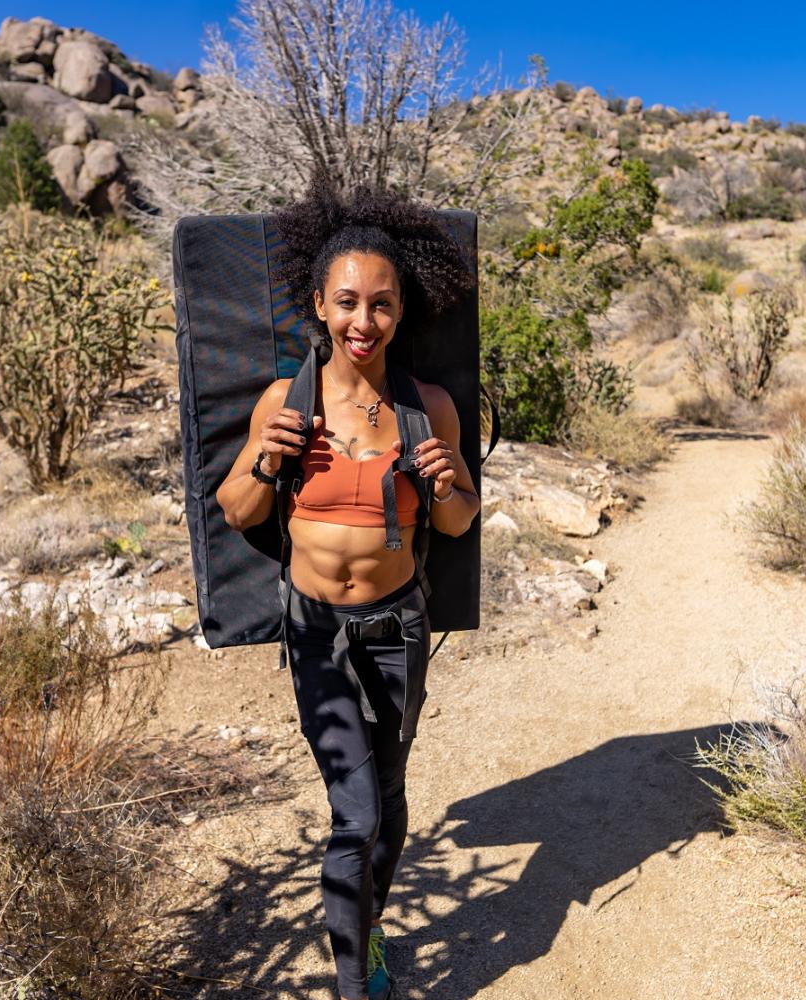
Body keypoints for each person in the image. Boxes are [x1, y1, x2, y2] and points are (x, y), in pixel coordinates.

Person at [217, 178, 479, 1000]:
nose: (363, 323)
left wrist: (443, 483)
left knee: (391, 803)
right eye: (347, 303)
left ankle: (366, 925)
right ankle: (352, 980)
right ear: (320, 306)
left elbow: (463, 521)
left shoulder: (428, 408)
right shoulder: (284, 403)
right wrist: (269, 455)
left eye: (382, 305)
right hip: (317, 630)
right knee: (356, 814)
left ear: (402, 313)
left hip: (397, 625)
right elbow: (236, 511)